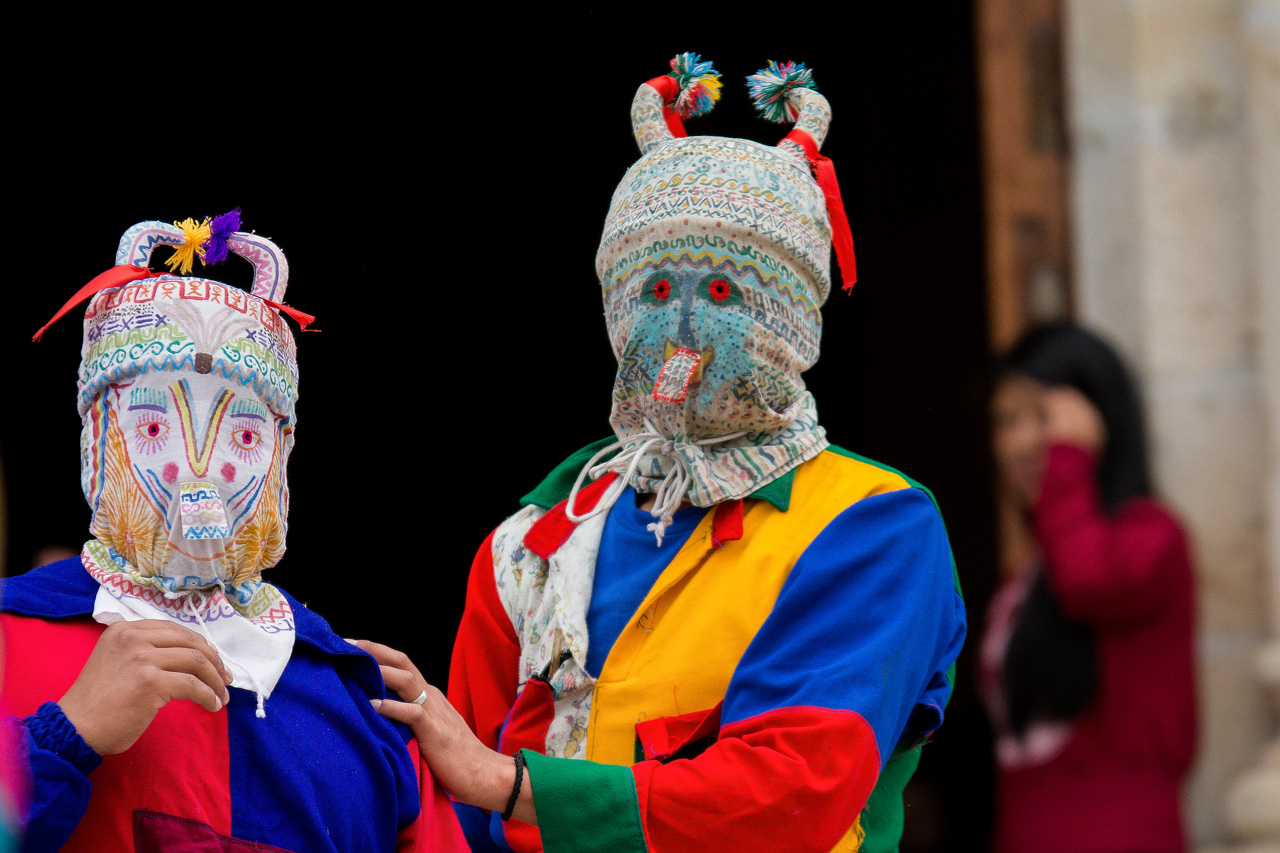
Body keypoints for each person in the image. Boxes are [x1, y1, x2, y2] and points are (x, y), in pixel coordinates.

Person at [357, 55, 967, 853]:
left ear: (792, 319)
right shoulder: (534, 543)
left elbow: (792, 794)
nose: (678, 325)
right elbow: (452, 813)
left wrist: (513, 785)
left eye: (720, 292)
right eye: (651, 291)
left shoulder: (872, 526)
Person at [1, 216, 464, 851]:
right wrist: (65, 735)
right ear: (96, 446)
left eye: (244, 436)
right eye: (156, 427)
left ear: (282, 461)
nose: (200, 469)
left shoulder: (360, 706)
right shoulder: (8, 640)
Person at [981, 323, 1197, 853]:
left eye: (1045, 418)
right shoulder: (1023, 581)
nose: (1025, 443)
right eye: (1008, 420)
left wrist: (1070, 463)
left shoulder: (1152, 537)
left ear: (1099, 421)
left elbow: (1089, 581)